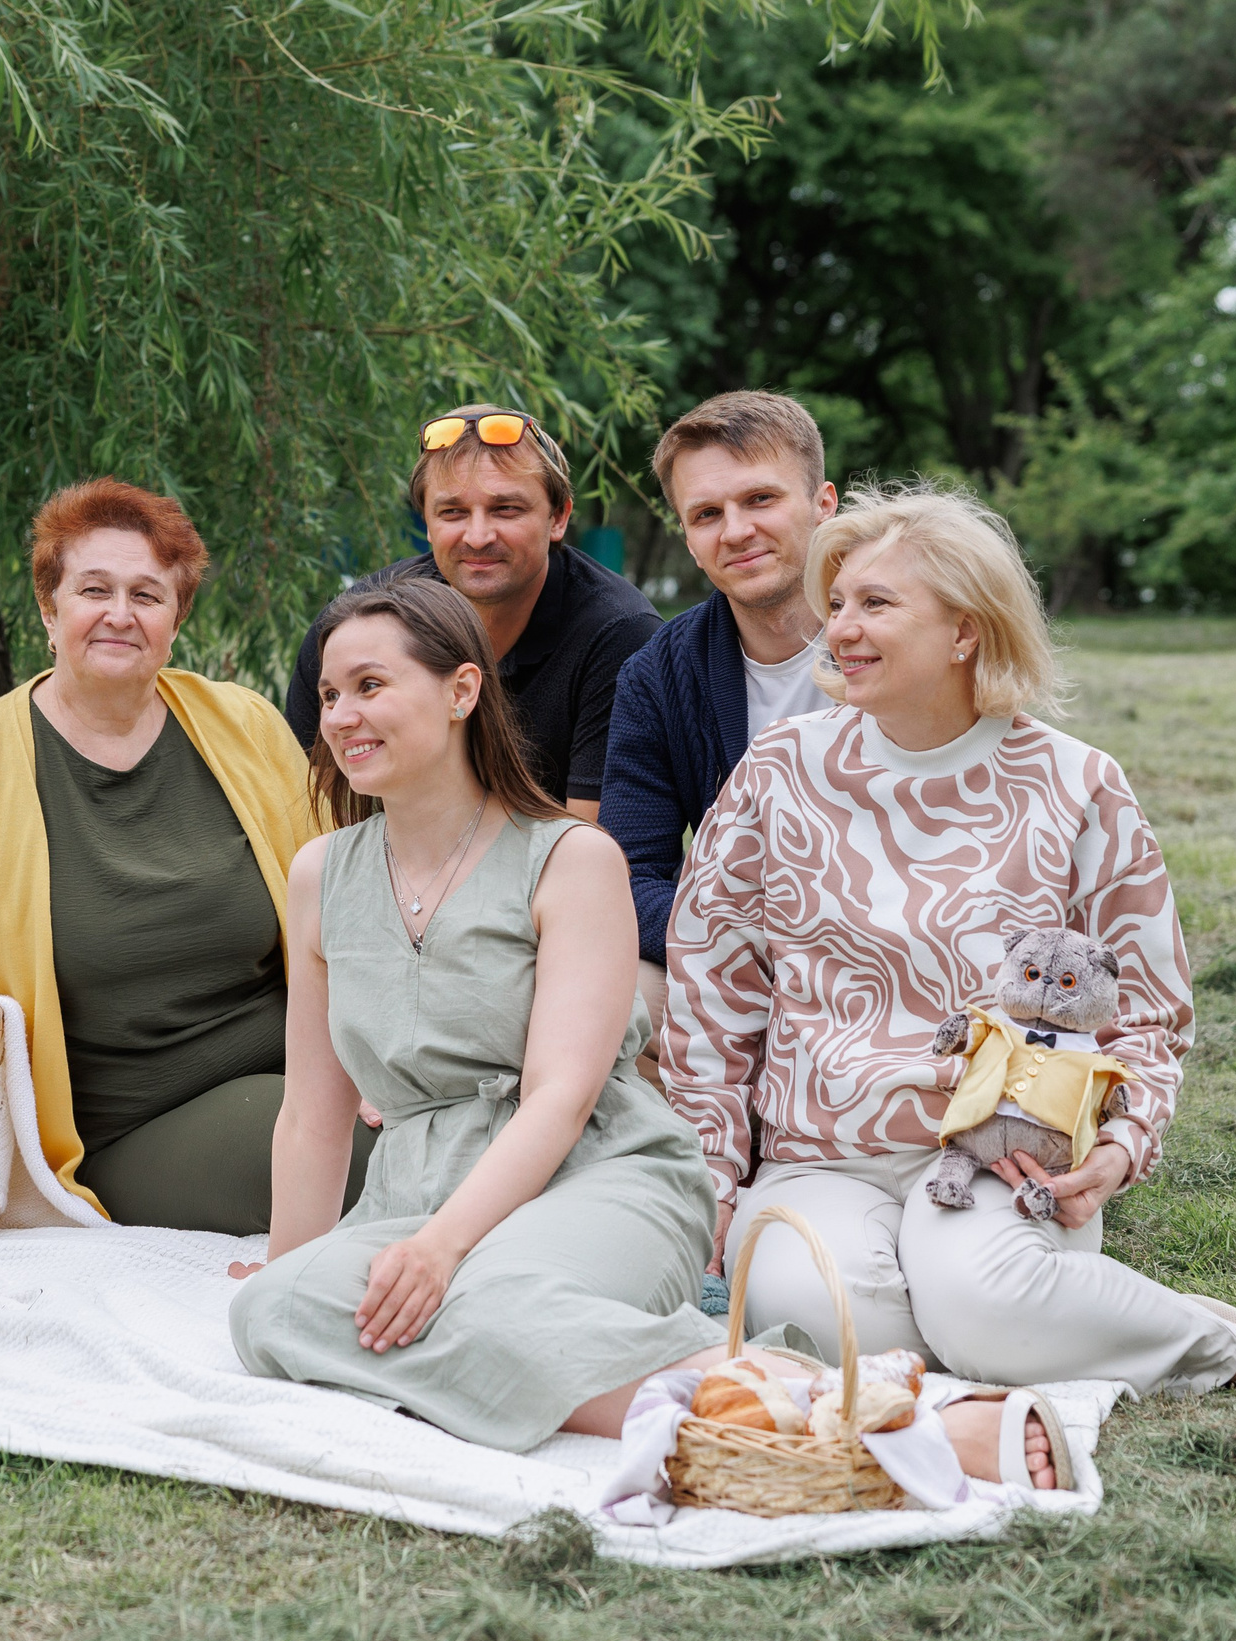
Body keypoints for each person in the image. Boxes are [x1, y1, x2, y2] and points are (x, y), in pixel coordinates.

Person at [659, 485, 1236, 1454]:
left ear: (965, 629)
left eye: (874, 604)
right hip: (819, 1151)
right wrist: (713, 1178)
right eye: (835, 602)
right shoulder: (777, 772)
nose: (837, 626)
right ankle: (1069, 1320)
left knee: (980, 1304)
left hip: (1000, 1150)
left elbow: (1146, 1010)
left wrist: (1121, 1145)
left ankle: (1233, 1341)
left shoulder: (1077, 784)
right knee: (831, 1320)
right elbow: (713, 991)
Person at [229, 576, 725, 1451]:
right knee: (271, 1311)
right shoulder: (319, 876)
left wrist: (442, 1249)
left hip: (599, 1172)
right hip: (412, 1192)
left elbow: (561, 1099)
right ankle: (601, 1375)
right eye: (330, 694)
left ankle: (825, 1408)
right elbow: (313, 1119)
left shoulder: (572, 859)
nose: (341, 715)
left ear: (462, 690)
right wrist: (295, 1264)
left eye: (371, 686)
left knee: (492, 1304)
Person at [0, 479, 327, 1235]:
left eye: (147, 595)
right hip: (140, 1122)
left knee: (447, 1110)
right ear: (49, 608)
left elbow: (345, 905)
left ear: (176, 619)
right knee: (383, 1151)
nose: (119, 614)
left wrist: (372, 1061)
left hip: (305, 1067)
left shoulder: (246, 725)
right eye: (93, 589)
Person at [285, 407, 661, 820]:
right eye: (453, 513)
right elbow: (321, 821)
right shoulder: (355, 630)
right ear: (427, 524)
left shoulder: (618, 635)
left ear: (558, 518)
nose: (478, 537)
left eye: (506, 509)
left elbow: (600, 854)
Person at [599, 391, 840, 1036]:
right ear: (689, 536)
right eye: (707, 513)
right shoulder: (658, 677)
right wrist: (744, 949)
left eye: (760, 499)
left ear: (824, 505)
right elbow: (629, 872)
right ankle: (705, 1132)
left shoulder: (906, 635)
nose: (735, 531)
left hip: (921, 954)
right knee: (601, 1003)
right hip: (740, 966)